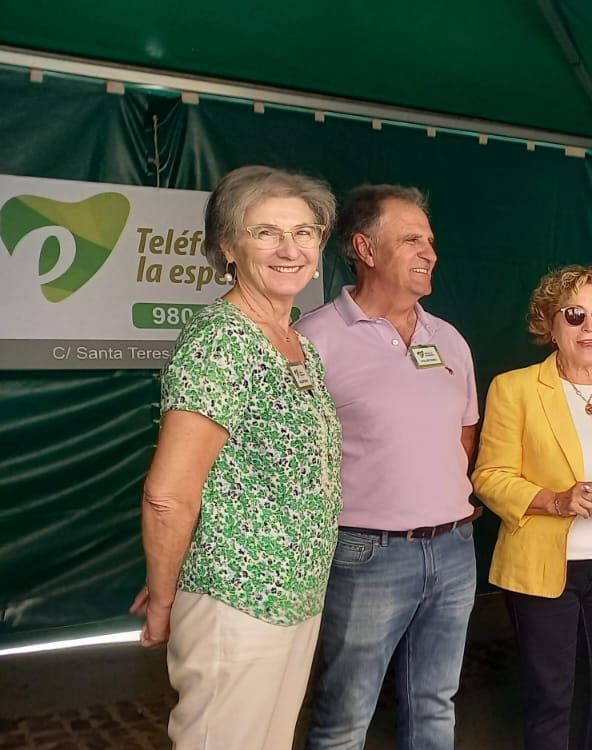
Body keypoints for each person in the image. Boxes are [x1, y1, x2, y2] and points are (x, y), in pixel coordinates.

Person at [130, 165, 340, 750]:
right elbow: (168, 493)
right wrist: (165, 595)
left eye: (304, 232)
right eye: (265, 232)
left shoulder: (298, 342)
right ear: (227, 247)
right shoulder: (222, 339)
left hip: (294, 596)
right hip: (236, 599)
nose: (289, 248)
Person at [297, 185, 480, 749]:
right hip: (364, 553)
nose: (429, 252)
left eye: (430, 240)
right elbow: (298, 459)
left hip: (453, 548)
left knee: (434, 705)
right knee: (345, 714)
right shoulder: (313, 340)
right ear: (365, 249)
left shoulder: (448, 338)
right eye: (411, 239)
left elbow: (464, 435)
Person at [473, 265, 592, 750]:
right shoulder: (514, 388)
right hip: (544, 569)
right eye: (575, 315)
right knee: (550, 697)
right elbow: (489, 477)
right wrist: (556, 500)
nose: (590, 328)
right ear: (549, 323)